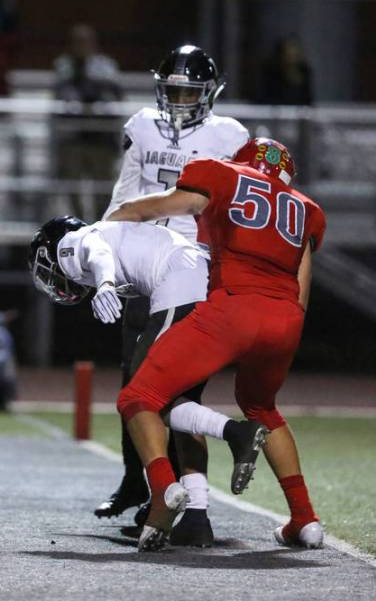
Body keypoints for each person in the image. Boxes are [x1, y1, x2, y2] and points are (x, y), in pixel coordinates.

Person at [106, 137, 327, 552]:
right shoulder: (306, 209)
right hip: (285, 319)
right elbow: (302, 289)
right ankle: (304, 519)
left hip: (232, 306)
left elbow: (169, 206)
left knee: (139, 396)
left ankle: (162, 493)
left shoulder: (224, 173)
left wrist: (115, 219)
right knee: (262, 408)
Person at [29, 216, 266, 546]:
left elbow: (96, 252)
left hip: (182, 283)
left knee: (136, 399)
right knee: (175, 400)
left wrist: (106, 284)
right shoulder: (119, 236)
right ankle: (196, 515)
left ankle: (172, 485)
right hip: (204, 284)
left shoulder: (79, 240)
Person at [94, 45, 249, 523]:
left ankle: (178, 497)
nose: (181, 100)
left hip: (194, 270)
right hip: (142, 261)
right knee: (131, 380)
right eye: (174, 90)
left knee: (173, 387)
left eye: (190, 91)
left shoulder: (229, 136)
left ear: (210, 94)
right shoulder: (142, 125)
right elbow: (126, 190)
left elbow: (236, 210)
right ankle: (134, 481)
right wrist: (106, 243)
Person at [51, 24, 123, 221]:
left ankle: (100, 226)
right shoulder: (63, 66)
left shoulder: (106, 67)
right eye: (77, 42)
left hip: (101, 139)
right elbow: (62, 101)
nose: (81, 46)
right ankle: (80, 225)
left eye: (86, 41)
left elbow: (114, 99)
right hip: (73, 140)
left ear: (94, 43)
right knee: (73, 187)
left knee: (102, 190)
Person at [259, 36, 313, 106]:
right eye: (288, 54)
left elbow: (307, 99)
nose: (292, 57)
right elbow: (267, 98)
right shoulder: (272, 73)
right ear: (281, 54)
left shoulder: (304, 71)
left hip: (299, 114)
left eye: (295, 54)